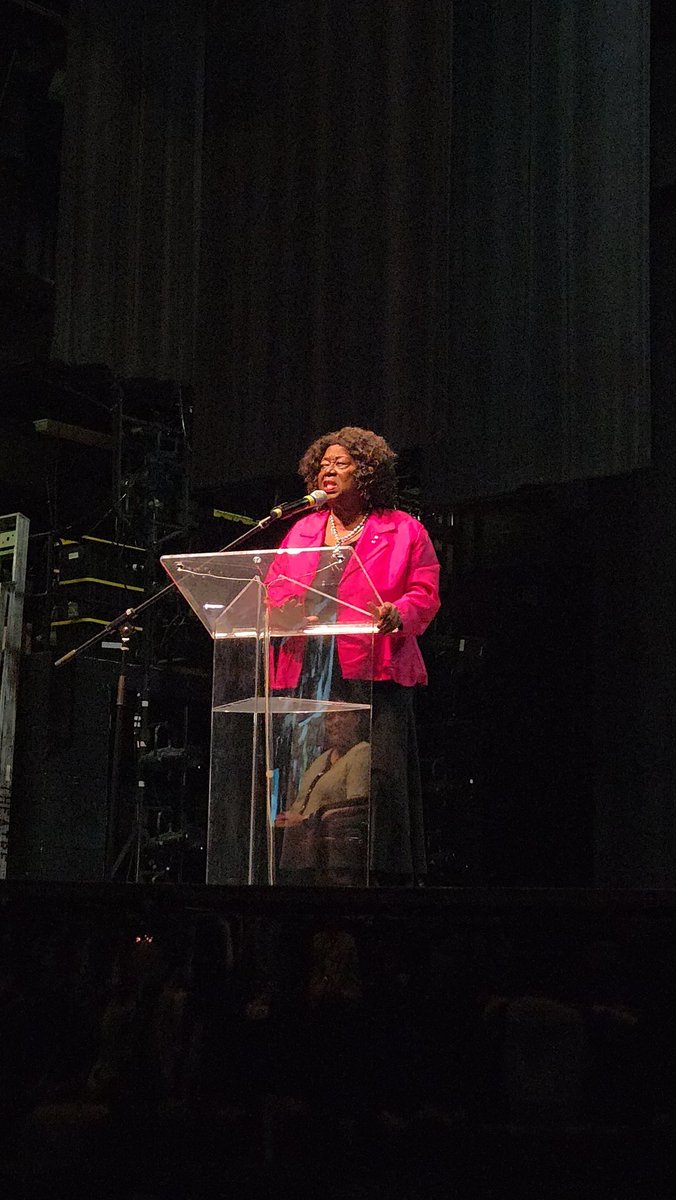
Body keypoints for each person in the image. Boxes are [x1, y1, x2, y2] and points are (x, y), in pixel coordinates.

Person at [270, 426, 441, 884]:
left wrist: (398, 612)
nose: (328, 470)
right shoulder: (302, 530)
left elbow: (424, 593)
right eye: (323, 464)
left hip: (375, 669)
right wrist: (283, 607)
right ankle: (306, 876)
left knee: (376, 777)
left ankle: (377, 879)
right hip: (310, 670)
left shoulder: (403, 530)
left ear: (366, 472)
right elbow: (275, 587)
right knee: (308, 775)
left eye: (341, 463)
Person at [275, 709, 371, 884]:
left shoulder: (362, 753)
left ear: (357, 718)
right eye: (330, 717)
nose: (336, 721)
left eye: (343, 714)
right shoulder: (322, 759)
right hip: (300, 855)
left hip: (330, 860)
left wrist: (306, 820)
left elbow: (356, 809)